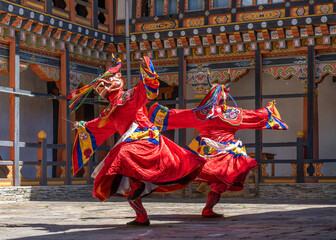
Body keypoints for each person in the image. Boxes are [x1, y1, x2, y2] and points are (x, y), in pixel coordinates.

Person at [69, 57, 205, 226]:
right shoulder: (110, 111)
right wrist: (82, 125)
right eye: (101, 86)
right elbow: (97, 125)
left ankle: (137, 185)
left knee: (120, 155)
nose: (103, 87)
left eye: (106, 83)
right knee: (120, 177)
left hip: (145, 138)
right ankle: (141, 215)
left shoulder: (130, 96)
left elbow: (146, 90)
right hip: (129, 143)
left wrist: (146, 67)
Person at [149, 83, 288, 218]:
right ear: (225, 98)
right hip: (227, 154)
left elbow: (177, 116)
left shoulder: (200, 114)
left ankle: (206, 208)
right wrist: (269, 109)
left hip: (204, 154)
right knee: (221, 182)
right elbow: (254, 116)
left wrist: (154, 115)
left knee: (190, 172)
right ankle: (208, 209)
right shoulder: (233, 114)